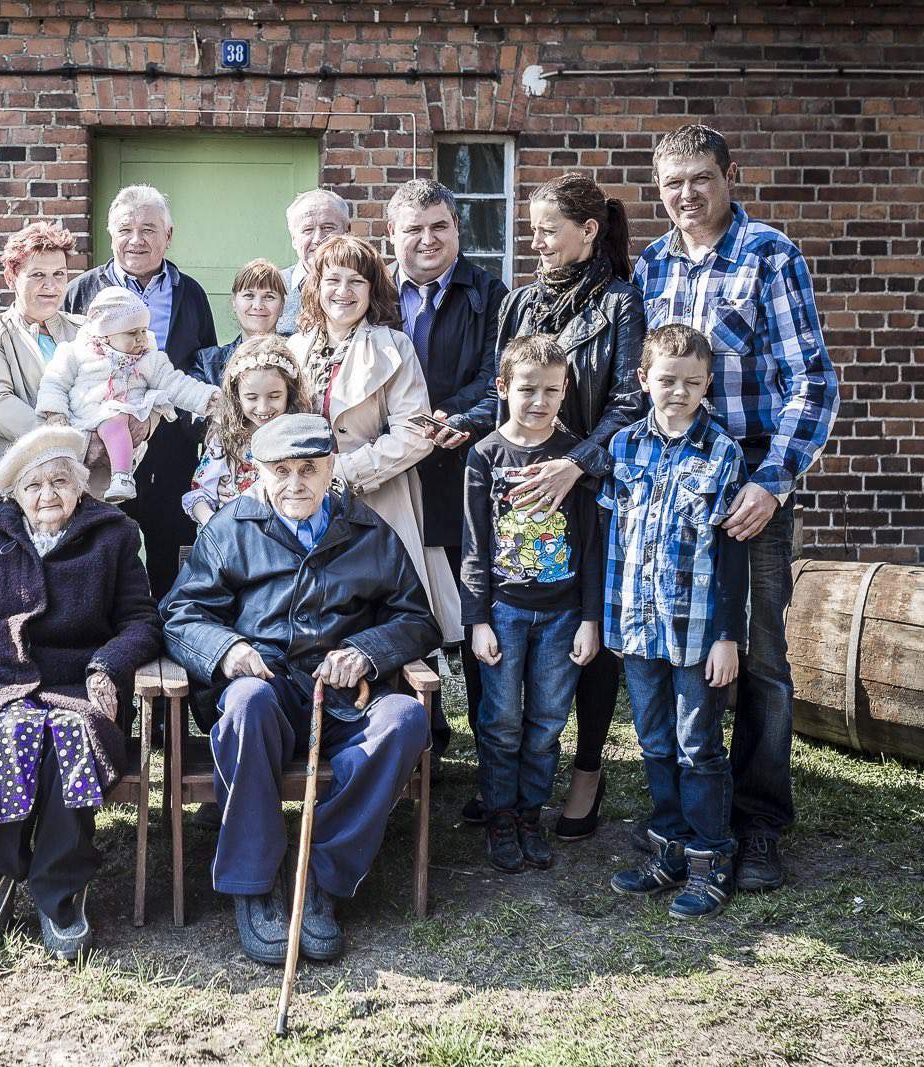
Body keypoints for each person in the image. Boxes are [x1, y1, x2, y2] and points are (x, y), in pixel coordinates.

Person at [634, 125, 839, 891]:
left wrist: (772, 481)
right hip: (672, 488)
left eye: (700, 178)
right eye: (672, 182)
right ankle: (687, 819)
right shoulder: (652, 265)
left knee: (758, 659)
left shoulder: (769, 256)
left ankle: (757, 824)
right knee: (673, 649)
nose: (686, 194)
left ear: (728, 177)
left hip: (748, 488)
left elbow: (811, 381)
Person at [160, 413, 438, 964]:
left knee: (405, 720)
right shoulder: (229, 530)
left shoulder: (368, 531)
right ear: (258, 471)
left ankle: (321, 879)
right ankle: (255, 885)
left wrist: (366, 652)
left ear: (331, 467)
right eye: (280, 471)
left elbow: (417, 619)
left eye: (308, 469)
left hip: (344, 698)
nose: (294, 484)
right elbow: (179, 615)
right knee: (244, 703)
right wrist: (227, 651)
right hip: (266, 686)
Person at [0, 426, 161, 962]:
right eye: (34, 485)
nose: (48, 495)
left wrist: (108, 665)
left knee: (67, 733)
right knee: (11, 728)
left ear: (82, 486)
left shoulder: (113, 533)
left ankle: (60, 891)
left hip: (75, 680)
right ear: (13, 493)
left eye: (60, 481)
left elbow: (142, 620)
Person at [495, 173, 646, 840]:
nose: (537, 239)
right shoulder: (521, 301)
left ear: (588, 230)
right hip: (524, 487)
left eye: (548, 227)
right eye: (533, 227)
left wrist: (575, 462)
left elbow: (629, 403)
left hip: (593, 491)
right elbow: (491, 380)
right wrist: (455, 420)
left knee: (588, 637)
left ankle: (586, 769)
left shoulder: (620, 304)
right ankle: (509, 785)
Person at [606, 325, 749, 920]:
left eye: (692, 382)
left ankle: (711, 856)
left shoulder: (722, 453)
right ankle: (669, 845)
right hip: (637, 627)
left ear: (708, 385)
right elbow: (610, 539)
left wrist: (727, 636)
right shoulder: (624, 448)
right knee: (655, 740)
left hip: (695, 632)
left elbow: (733, 552)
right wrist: (602, 619)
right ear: (644, 380)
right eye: (666, 380)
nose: (678, 391)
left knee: (698, 746)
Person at [459, 336, 603, 874]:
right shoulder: (485, 455)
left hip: (563, 613)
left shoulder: (573, 458)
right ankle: (499, 815)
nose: (538, 401)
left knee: (545, 723)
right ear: (502, 388)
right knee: (500, 721)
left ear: (565, 392)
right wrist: (476, 620)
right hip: (505, 612)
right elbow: (474, 545)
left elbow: (591, 546)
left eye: (550, 390)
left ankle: (529, 814)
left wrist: (590, 619)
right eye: (527, 389)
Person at [286, 233, 461, 648]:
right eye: (333, 280)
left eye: (356, 282)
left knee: (381, 623)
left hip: (374, 499)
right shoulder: (293, 347)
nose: (342, 292)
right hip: (299, 499)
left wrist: (343, 472)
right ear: (316, 285)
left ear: (372, 290)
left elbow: (416, 435)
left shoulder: (393, 346)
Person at [385, 178, 508, 763]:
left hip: (464, 471)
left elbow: (496, 376)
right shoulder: (376, 291)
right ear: (393, 236)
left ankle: (492, 750)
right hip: (393, 476)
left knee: (472, 605)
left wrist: (459, 416)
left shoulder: (490, 295)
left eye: (439, 226)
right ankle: (422, 739)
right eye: (414, 229)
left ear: (458, 229)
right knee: (404, 601)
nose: (427, 239)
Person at [65, 184, 217, 599]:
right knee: (101, 545)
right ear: (109, 233)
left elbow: (199, 367)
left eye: (149, 229)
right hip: (102, 448)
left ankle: (171, 634)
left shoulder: (192, 294)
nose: (137, 240)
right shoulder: (81, 291)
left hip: (171, 442)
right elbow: (66, 365)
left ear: (169, 235)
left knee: (173, 544)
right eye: (126, 229)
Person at [36, 286, 218, 504]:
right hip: (81, 424)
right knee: (76, 491)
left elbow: (175, 384)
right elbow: (54, 382)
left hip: (123, 427)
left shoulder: (148, 359)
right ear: (105, 334)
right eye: (132, 333)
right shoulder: (75, 352)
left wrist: (208, 397)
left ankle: (122, 478)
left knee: (115, 418)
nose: (142, 338)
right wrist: (55, 414)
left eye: (143, 330)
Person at [0, 221, 87, 491]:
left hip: (83, 487)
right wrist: (77, 442)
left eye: (59, 274)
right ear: (11, 277)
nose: (51, 285)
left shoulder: (87, 330)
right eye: (37, 275)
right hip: (18, 487)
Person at [183, 334, 312, 526]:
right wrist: (213, 523)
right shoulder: (227, 439)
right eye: (252, 397)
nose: (263, 408)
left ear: (289, 393)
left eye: (274, 396)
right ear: (237, 396)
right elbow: (200, 494)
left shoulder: (302, 439)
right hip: (237, 542)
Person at [191, 259, 288, 388]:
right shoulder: (207, 363)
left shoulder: (301, 353)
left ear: (282, 306)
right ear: (234, 302)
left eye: (269, 296)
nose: (258, 306)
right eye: (249, 295)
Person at [278, 189, 351, 335]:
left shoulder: (366, 286)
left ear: (347, 231)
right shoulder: (274, 286)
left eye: (328, 228)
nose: (318, 239)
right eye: (308, 229)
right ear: (293, 239)